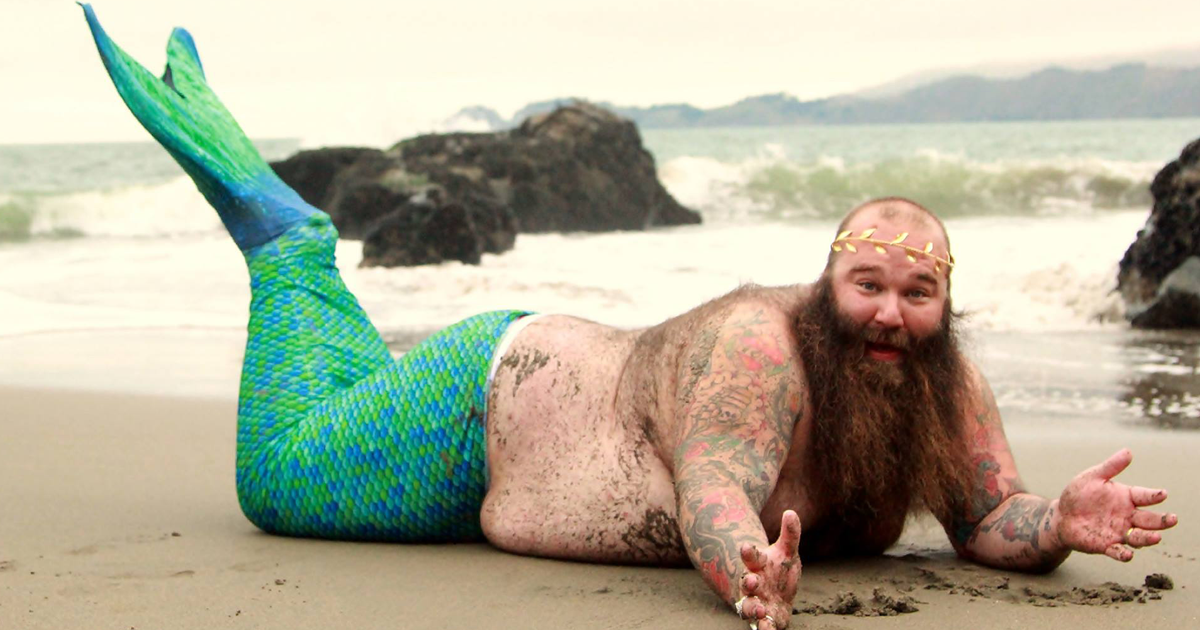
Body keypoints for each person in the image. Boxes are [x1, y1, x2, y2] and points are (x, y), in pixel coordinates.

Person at [81, 6, 1178, 629]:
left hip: (534, 398)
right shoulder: (766, 348)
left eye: (917, 293)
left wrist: (1058, 524)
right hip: (493, 408)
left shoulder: (948, 388)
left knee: (336, 408)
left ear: (947, 302)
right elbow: (713, 487)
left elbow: (992, 518)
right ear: (828, 287)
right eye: (869, 288)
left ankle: (316, 287)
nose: (891, 315)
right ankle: (289, 243)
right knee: (280, 476)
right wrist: (746, 565)